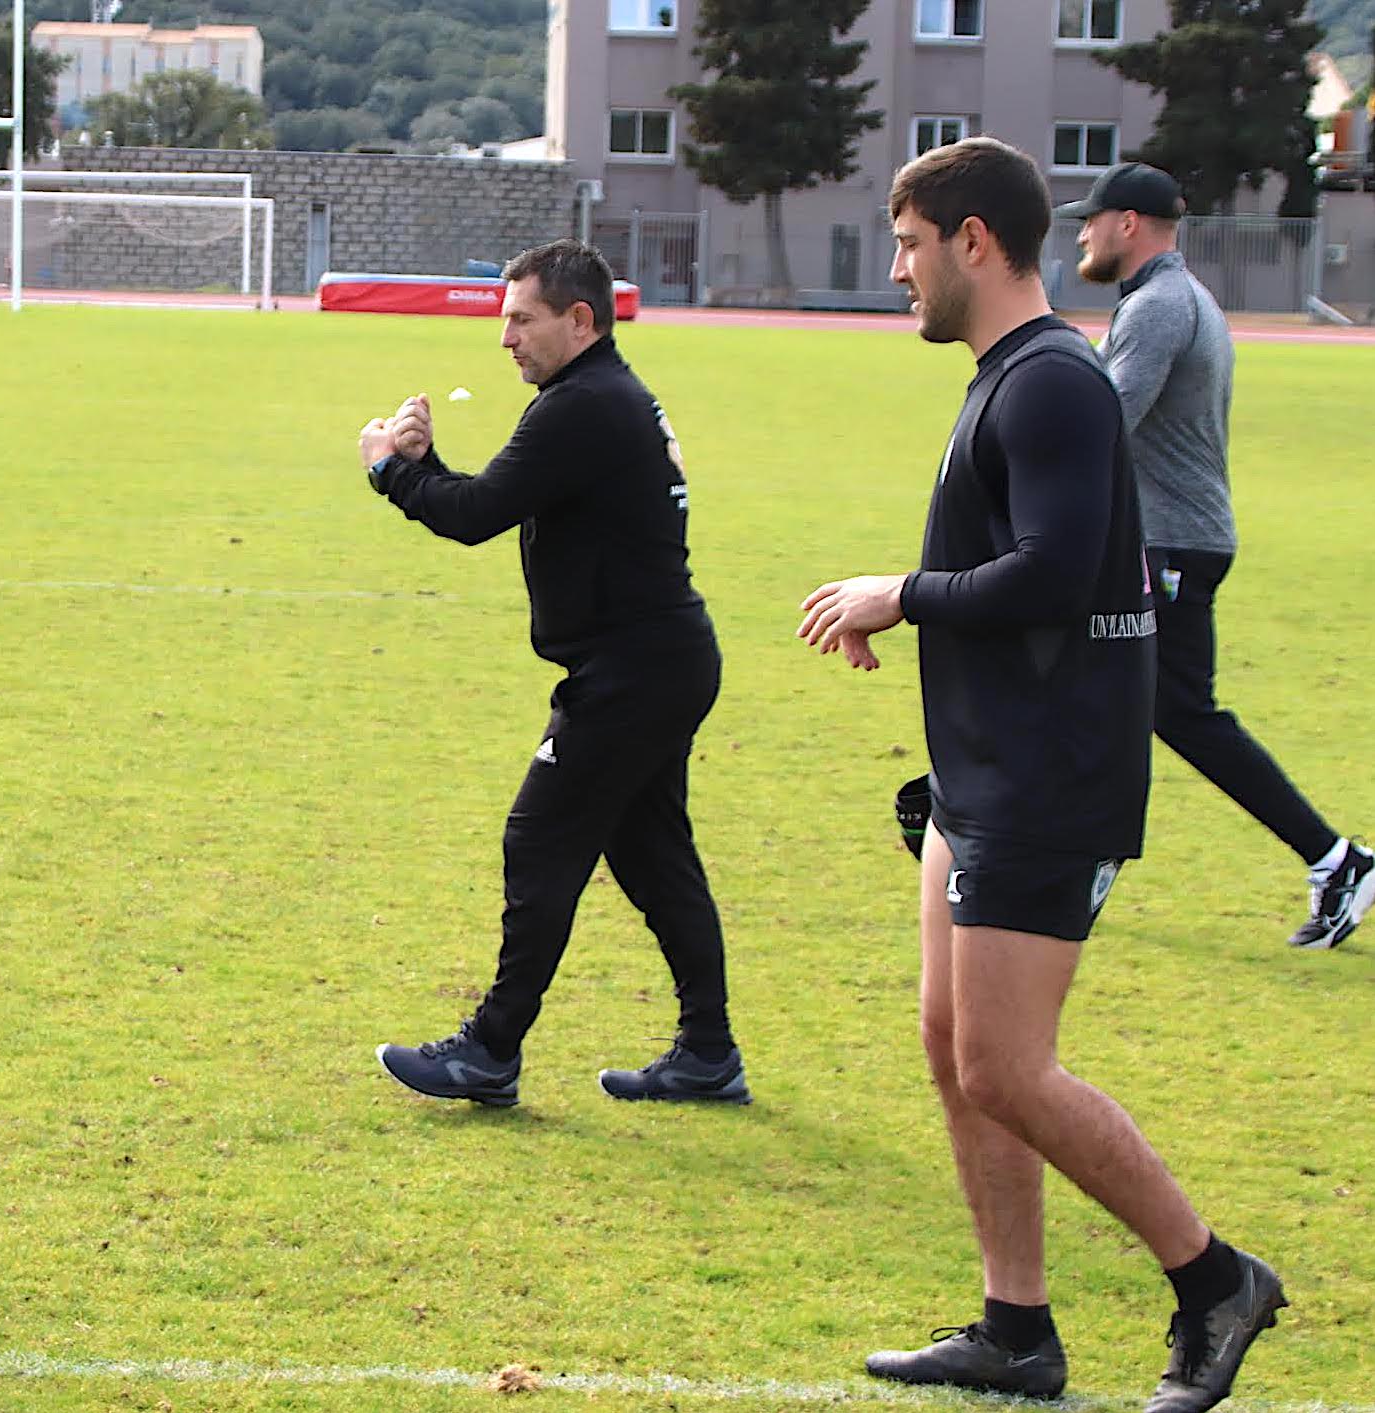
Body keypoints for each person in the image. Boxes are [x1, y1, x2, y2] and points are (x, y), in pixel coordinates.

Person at [797, 139, 1284, 1410]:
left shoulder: (1053, 381)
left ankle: (1214, 1278)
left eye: (907, 245)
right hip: (981, 767)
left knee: (1009, 1066)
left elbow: (1058, 574)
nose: (896, 271)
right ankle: (1015, 1328)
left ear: (971, 241)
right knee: (953, 1046)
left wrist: (898, 595)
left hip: (1046, 776)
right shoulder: (1008, 375)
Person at [360, 238, 746, 1108]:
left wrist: (389, 468)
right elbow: (498, 497)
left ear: (580, 320)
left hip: (632, 672)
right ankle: (708, 1051)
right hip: (659, 659)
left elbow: (471, 517)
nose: (505, 340)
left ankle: (489, 1050)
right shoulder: (595, 396)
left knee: (540, 839)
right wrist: (422, 468)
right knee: (652, 855)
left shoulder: (583, 406)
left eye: (521, 320)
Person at [1060, 161, 1372, 950]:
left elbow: (1104, 422)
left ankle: (1334, 859)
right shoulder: (1167, 298)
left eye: (1091, 220)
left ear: (1128, 224)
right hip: (1167, 538)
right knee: (1125, 701)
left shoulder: (1161, 306)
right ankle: (1090, 857)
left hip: (1168, 543)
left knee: (1166, 709)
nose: (1082, 234)